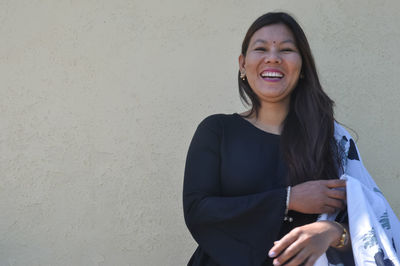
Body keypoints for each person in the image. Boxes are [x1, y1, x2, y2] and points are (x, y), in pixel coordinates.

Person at [183, 12, 355, 266]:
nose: (272, 57)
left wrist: (332, 232)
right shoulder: (217, 130)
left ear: (303, 66)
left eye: (286, 49)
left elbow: (369, 222)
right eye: (260, 48)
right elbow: (198, 211)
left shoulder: (330, 138)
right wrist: (288, 199)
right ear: (243, 64)